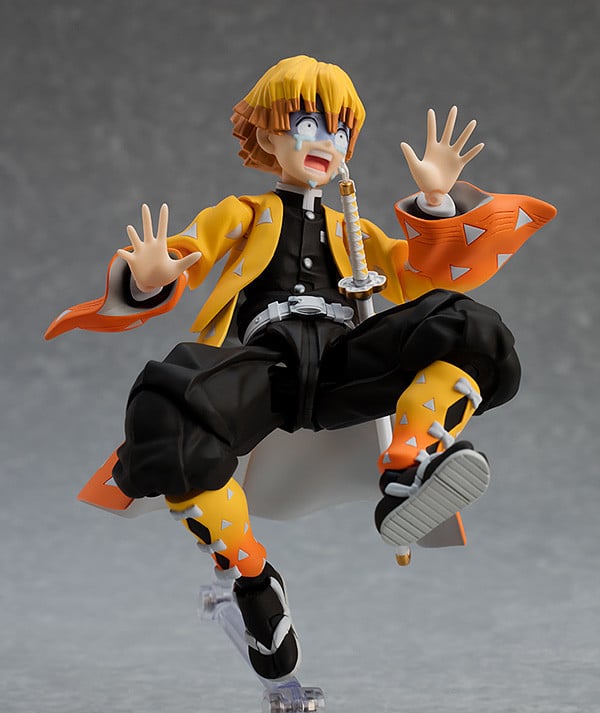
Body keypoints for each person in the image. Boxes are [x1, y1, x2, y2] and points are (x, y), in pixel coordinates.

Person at [46, 55, 556, 681]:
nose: (325, 142)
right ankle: (252, 576)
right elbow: (188, 252)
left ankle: (412, 463)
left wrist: (435, 201)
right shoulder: (243, 213)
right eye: (307, 123)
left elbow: (421, 273)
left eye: (339, 131)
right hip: (271, 365)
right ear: (267, 135)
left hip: (347, 361)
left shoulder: (353, 227)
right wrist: (148, 278)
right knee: (168, 401)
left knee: (466, 325)